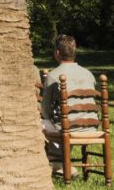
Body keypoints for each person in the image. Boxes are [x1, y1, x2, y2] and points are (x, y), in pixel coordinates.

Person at [41, 34, 97, 172]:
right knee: (61, 119)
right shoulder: (89, 74)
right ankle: (60, 161)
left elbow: (45, 110)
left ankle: (57, 162)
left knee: (42, 121)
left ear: (57, 53)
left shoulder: (53, 76)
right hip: (91, 128)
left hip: (67, 128)